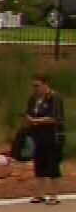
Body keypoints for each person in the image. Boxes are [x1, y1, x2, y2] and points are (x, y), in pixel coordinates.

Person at [22, 74, 63, 204]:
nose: (35, 89)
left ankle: (53, 195)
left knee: (52, 165)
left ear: (45, 84)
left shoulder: (54, 98)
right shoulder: (33, 99)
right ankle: (40, 193)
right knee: (39, 165)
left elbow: (55, 118)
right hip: (38, 136)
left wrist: (37, 120)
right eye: (34, 86)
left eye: (37, 86)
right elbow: (29, 113)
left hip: (53, 136)